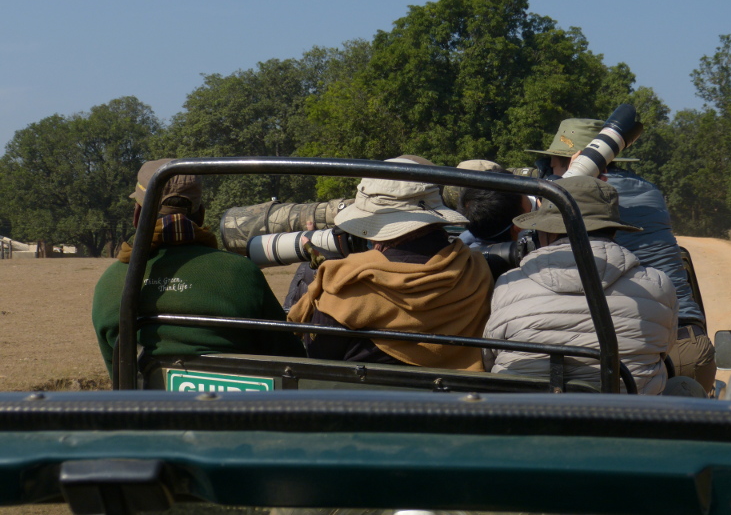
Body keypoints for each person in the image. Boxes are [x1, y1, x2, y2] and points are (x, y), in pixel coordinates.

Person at [530, 118, 717, 393]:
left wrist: (555, 184)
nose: (547, 173)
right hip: (685, 343)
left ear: (573, 161)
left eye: (552, 165)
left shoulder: (561, 195)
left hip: (601, 351)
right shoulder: (650, 191)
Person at [93, 158, 305, 376]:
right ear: (201, 214)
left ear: (138, 215)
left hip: (149, 408)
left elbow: (117, 374)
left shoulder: (111, 283)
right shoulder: (242, 272)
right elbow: (289, 359)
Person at [287, 157, 494, 371]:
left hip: (368, 399)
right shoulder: (476, 269)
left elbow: (317, 356)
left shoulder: (346, 284)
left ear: (376, 226)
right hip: (460, 397)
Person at [483, 176, 678, 395]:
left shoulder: (510, 283)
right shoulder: (658, 284)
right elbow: (664, 348)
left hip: (524, 415)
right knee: (684, 387)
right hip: (625, 418)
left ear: (549, 232)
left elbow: (490, 355)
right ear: (613, 231)